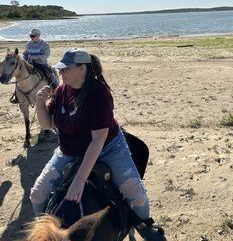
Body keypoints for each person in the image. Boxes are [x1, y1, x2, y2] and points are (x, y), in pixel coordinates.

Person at [30, 48, 166, 241]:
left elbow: (98, 141)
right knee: (37, 194)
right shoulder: (61, 90)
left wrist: (79, 180)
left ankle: (144, 226)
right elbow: (47, 124)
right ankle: (48, 234)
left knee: (134, 191)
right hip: (69, 150)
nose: (61, 73)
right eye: (60, 69)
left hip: (108, 149)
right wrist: (40, 102)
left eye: (66, 69)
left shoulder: (99, 93)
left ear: (82, 68)